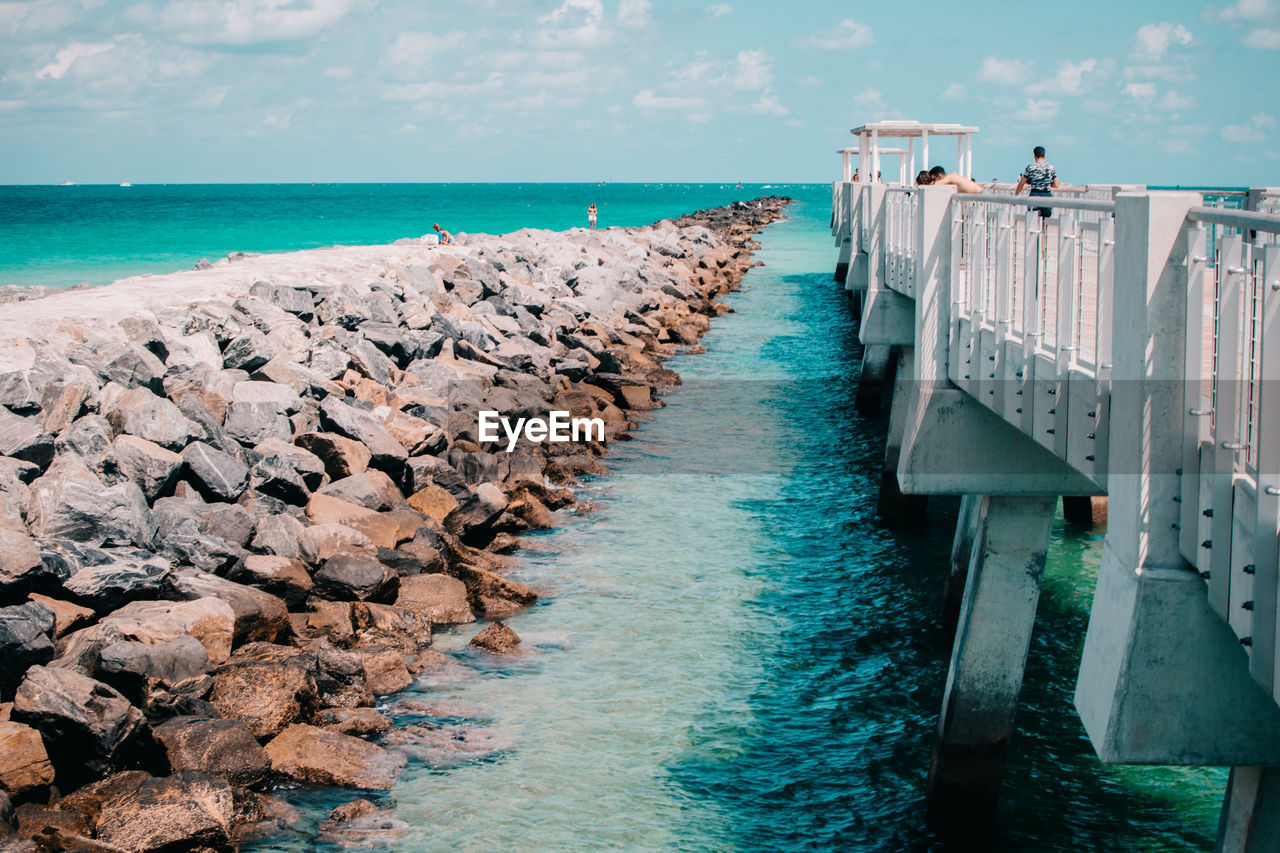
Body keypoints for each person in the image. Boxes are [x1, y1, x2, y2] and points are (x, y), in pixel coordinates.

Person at [1013, 145, 1059, 221]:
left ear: (1034, 155)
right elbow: (1056, 184)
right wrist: (1047, 183)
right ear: (1045, 155)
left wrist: (1016, 197)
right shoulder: (1051, 167)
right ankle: (1043, 231)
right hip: (1047, 195)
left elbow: (1021, 184)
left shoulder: (1030, 167)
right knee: (1045, 220)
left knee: (1032, 221)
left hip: (1034, 195)